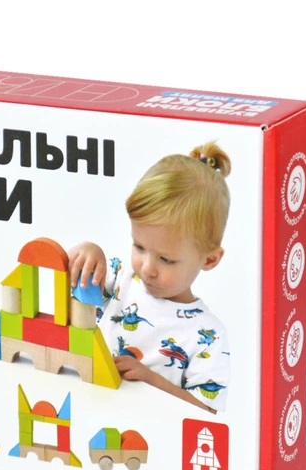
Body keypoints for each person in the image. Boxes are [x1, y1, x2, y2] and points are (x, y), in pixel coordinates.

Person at [68, 142, 231, 414]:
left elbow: (207, 413)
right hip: (90, 412)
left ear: (209, 260)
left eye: (166, 259)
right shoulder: (119, 278)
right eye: (139, 247)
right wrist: (87, 252)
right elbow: (74, 284)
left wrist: (150, 379)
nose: (147, 268)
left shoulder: (208, 334)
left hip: (152, 432)